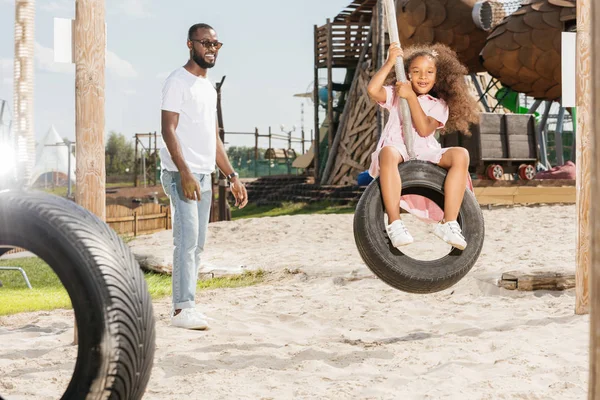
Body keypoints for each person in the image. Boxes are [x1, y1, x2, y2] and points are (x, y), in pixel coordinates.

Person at [160, 23, 248, 330]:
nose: (211, 48)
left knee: (197, 244)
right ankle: (181, 309)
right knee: (185, 242)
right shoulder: (177, 81)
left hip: (205, 173)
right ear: (190, 44)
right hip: (181, 172)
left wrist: (233, 175)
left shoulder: (209, 88)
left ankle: (189, 305)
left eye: (215, 44)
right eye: (205, 43)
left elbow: (213, 138)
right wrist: (184, 172)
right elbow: (167, 129)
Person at [367, 42, 479, 251]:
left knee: (460, 154)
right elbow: (373, 90)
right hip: (398, 148)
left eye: (429, 72)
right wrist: (391, 62)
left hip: (425, 150)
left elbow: (424, 129)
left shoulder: (439, 104)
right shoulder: (396, 95)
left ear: (439, 76)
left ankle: (449, 222)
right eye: (416, 71)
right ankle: (395, 222)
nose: (423, 76)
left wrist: (410, 97)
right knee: (388, 153)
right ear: (407, 74)